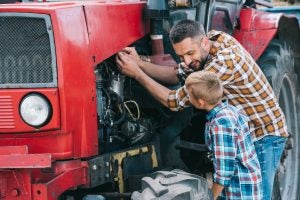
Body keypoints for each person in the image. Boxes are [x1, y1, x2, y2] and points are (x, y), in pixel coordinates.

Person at [116, 19, 288, 200]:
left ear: (204, 42)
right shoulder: (213, 40)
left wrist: (136, 73)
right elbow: (176, 74)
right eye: (182, 56)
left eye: (190, 53)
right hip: (242, 131)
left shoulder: (224, 63)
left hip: (264, 133)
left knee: (258, 195)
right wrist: (140, 62)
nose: (187, 61)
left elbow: (174, 101)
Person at [185, 71, 262, 199]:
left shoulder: (221, 123)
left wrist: (211, 197)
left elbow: (224, 172)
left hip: (240, 191)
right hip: (243, 185)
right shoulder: (228, 110)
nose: (187, 98)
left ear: (200, 102)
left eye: (189, 95)